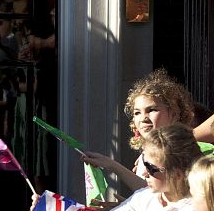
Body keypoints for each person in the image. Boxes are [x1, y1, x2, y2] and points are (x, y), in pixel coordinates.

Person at [82, 68, 198, 196]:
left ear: (174, 114)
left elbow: (158, 196)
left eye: (152, 110)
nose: (143, 118)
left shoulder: (184, 150)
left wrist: (112, 165)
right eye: (137, 113)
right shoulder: (144, 154)